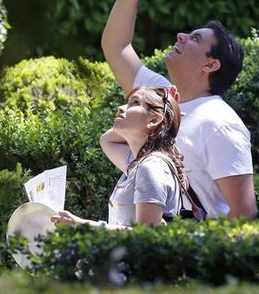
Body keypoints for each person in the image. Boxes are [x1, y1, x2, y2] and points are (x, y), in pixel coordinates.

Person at [100, 0, 257, 219]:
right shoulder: (161, 95)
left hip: (187, 247)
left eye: (195, 38)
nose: (181, 35)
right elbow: (115, 45)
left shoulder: (220, 123)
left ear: (210, 65)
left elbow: (244, 213)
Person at [51, 86, 189, 228]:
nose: (121, 108)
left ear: (154, 120)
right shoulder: (137, 163)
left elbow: (146, 234)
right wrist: (167, 119)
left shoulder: (151, 167)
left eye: (135, 103)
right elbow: (106, 140)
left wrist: (82, 224)